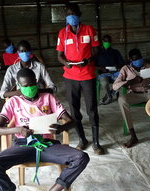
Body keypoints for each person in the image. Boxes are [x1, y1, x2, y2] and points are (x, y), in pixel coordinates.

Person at [0, 68, 89, 191]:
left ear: (37, 83)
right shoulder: (14, 101)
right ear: (18, 87)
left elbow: (71, 121)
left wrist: (62, 127)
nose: (30, 88)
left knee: (81, 157)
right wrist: (18, 129)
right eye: (25, 86)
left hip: (47, 144)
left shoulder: (48, 98)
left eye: (33, 84)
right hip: (23, 144)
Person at [56, 3, 104, 154]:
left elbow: (96, 50)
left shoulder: (89, 30)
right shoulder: (62, 34)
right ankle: (82, 139)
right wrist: (66, 64)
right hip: (70, 77)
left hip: (87, 74)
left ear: (79, 14)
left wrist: (89, 61)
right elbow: (59, 55)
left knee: (92, 109)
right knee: (74, 110)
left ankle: (96, 143)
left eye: (74, 13)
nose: (71, 16)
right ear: (66, 17)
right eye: (68, 14)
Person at [113, 48, 150, 148]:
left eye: (140, 58)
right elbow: (115, 86)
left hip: (148, 92)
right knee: (121, 100)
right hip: (134, 94)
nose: (138, 61)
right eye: (135, 59)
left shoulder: (148, 67)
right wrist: (130, 82)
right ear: (131, 60)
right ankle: (133, 136)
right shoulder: (125, 69)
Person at [95, 34, 125, 105]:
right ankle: (109, 97)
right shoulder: (98, 53)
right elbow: (93, 66)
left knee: (122, 81)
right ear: (102, 41)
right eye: (105, 41)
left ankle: (110, 94)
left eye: (108, 41)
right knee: (104, 83)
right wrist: (101, 68)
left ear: (111, 42)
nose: (107, 43)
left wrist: (118, 66)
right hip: (103, 74)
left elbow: (122, 63)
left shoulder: (115, 52)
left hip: (115, 73)